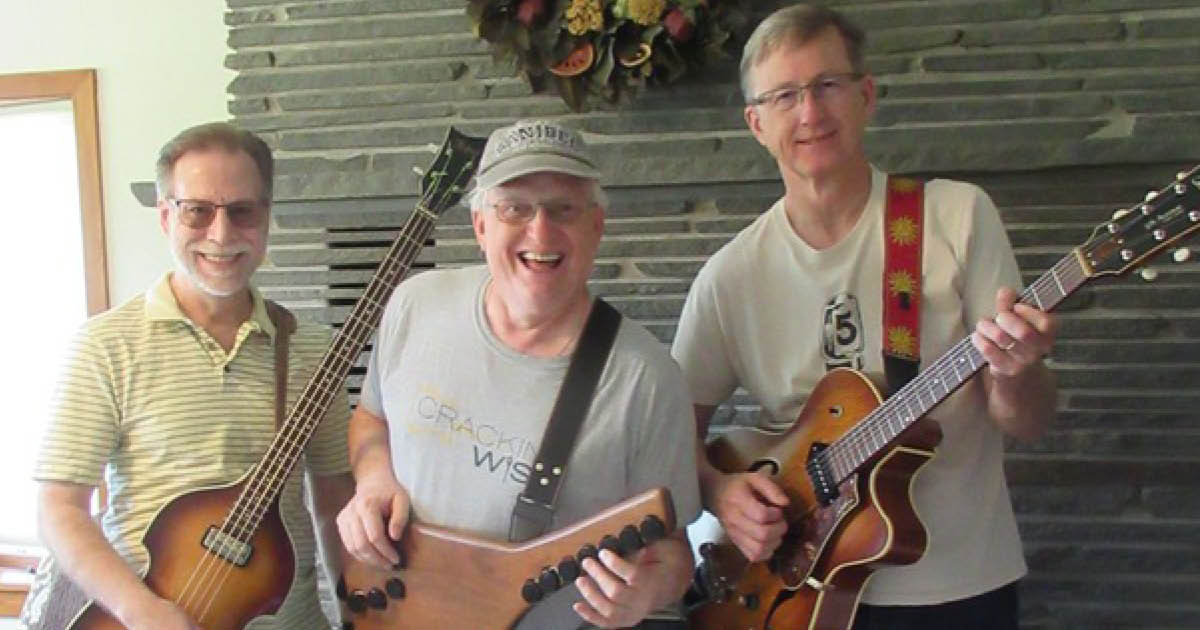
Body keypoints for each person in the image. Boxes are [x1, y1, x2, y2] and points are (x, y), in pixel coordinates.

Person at [671, 5, 1059, 629]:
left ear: (866, 95)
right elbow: (668, 431)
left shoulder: (955, 217)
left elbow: (1030, 422)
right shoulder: (730, 275)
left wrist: (1015, 373)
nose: (810, 113)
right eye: (785, 96)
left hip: (959, 589)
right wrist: (720, 492)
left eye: (827, 85)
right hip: (791, 599)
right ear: (756, 123)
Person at [335, 119, 701, 629]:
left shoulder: (648, 380)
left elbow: (676, 555)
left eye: (563, 209)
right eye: (515, 208)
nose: (540, 231)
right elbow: (371, 419)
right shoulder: (413, 305)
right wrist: (372, 483)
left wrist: (647, 591)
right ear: (481, 225)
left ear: (597, 226)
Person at [19, 122, 354, 630]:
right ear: (164, 216)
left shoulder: (313, 348)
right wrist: (143, 612)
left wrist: (354, 611)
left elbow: (335, 502)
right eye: (198, 210)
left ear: (266, 217)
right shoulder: (104, 346)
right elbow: (60, 508)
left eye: (241, 211)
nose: (221, 235)